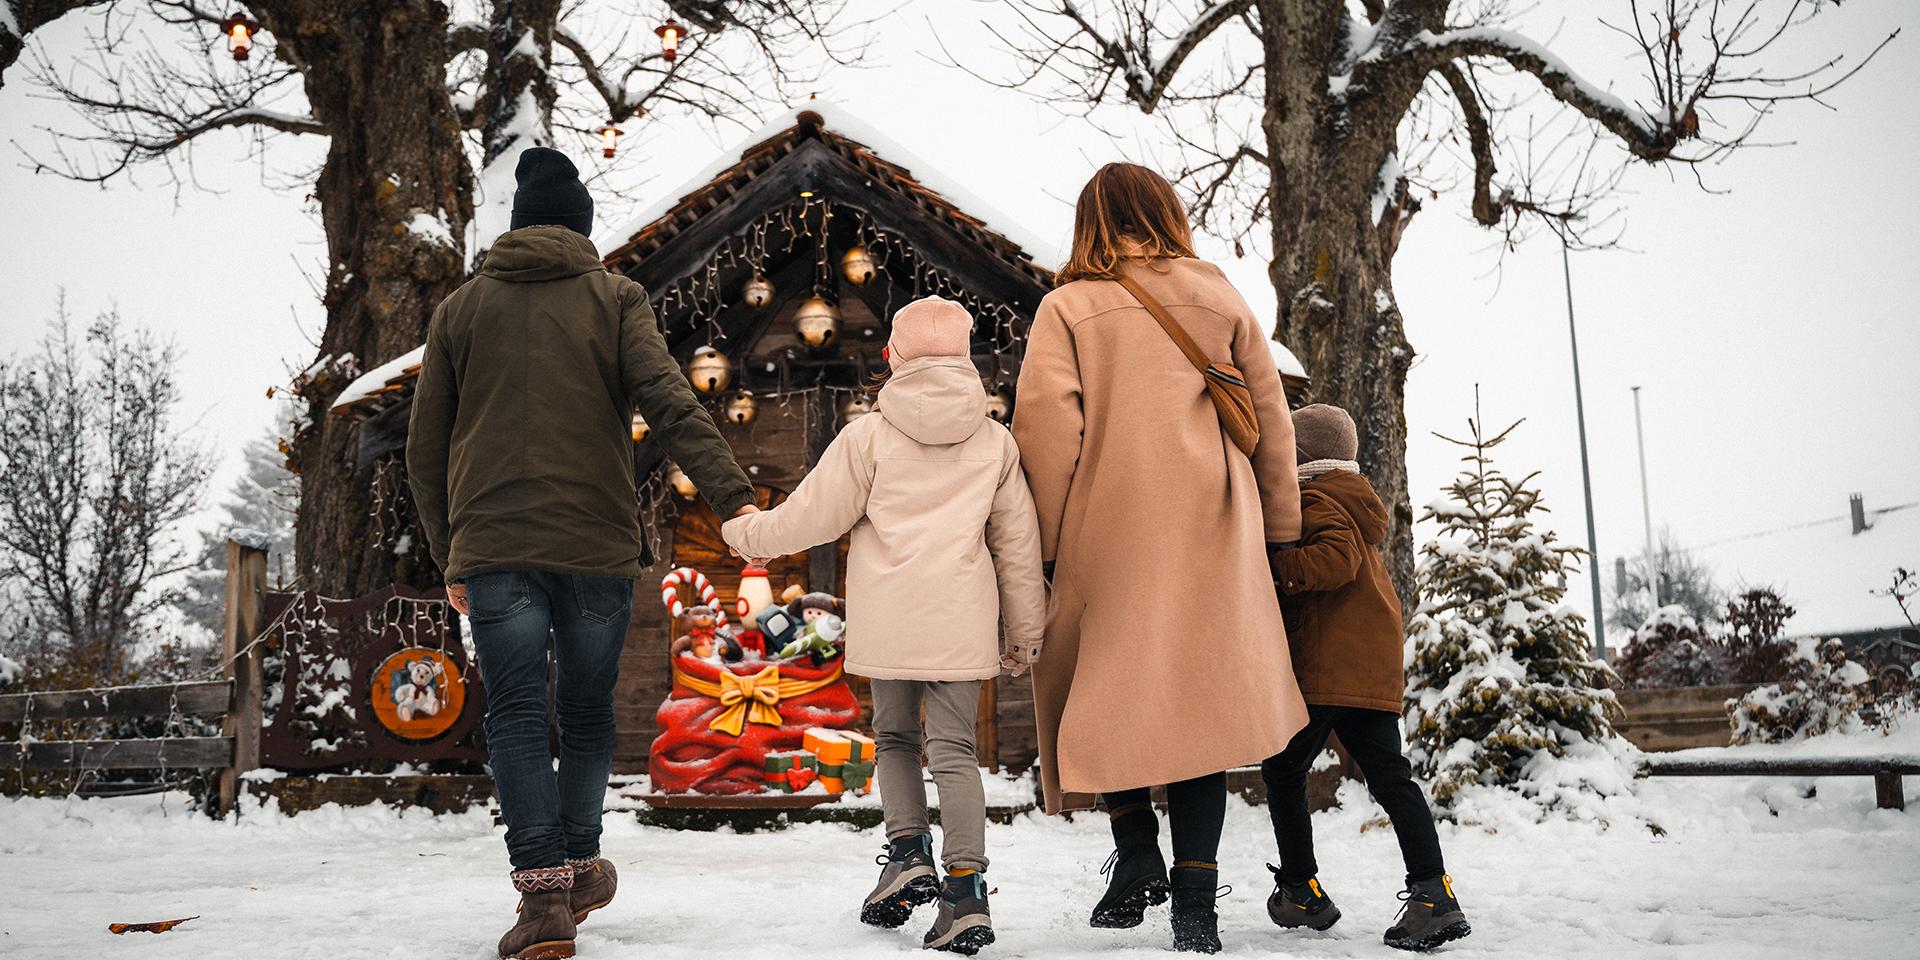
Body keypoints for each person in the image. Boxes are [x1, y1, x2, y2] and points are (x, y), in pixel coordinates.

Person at [407, 146, 759, 960]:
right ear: (582, 230)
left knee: (518, 713)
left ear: (518, 226)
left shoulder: (461, 310)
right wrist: (733, 496)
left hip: (495, 546)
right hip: (597, 544)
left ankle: (545, 896)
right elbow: (670, 401)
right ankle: (575, 865)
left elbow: (426, 451)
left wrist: (451, 556)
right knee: (587, 710)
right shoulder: (616, 297)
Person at [1012, 162, 1310, 954]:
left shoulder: (1067, 308)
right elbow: (1274, 423)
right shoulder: (1219, 294)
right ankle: (1196, 908)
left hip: (1108, 522)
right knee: (1199, 705)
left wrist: (1038, 546)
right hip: (1217, 522)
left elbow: (1047, 435)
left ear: (1089, 223)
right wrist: (1280, 531)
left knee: (1099, 684)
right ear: (1167, 214)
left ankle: (1136, 845)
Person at [722, 296, 1046, 955]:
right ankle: (965, 892)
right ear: (966, 360)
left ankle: (907, 855)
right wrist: (1025, 632)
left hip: (891, 618)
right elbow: (1016, 546)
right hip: (961, 618)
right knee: (955, 751)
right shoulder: (996, 442)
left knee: (895, 739)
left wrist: (744, 533)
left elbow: (809, 517)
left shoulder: (867, 436)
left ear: (892, 357)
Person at [1260, 404, 1470, 952]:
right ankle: (1434, 893)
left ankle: (1301, 889)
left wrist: (1273, 570)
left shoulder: (1315, 498)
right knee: (1392, 780)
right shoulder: (1355, 500)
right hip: (1371, 668)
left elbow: (1335, 560)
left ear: (1300, 454)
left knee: (1283, 771)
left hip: (1327, 668)